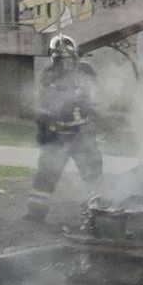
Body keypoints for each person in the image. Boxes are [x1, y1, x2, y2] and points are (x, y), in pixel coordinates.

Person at [28, 34, 103, 223]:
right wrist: (43, 130)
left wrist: (82, 99)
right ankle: (36, 214)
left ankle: (101, 213)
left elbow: (94, 98)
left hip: (81, 134)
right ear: (53, 57)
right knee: (44, 178)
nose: (65, 62)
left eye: (68, 57)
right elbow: (43, 106)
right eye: (60, 58)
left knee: (93, 176)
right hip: (56, 134)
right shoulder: (49, 75)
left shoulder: (85, 71)